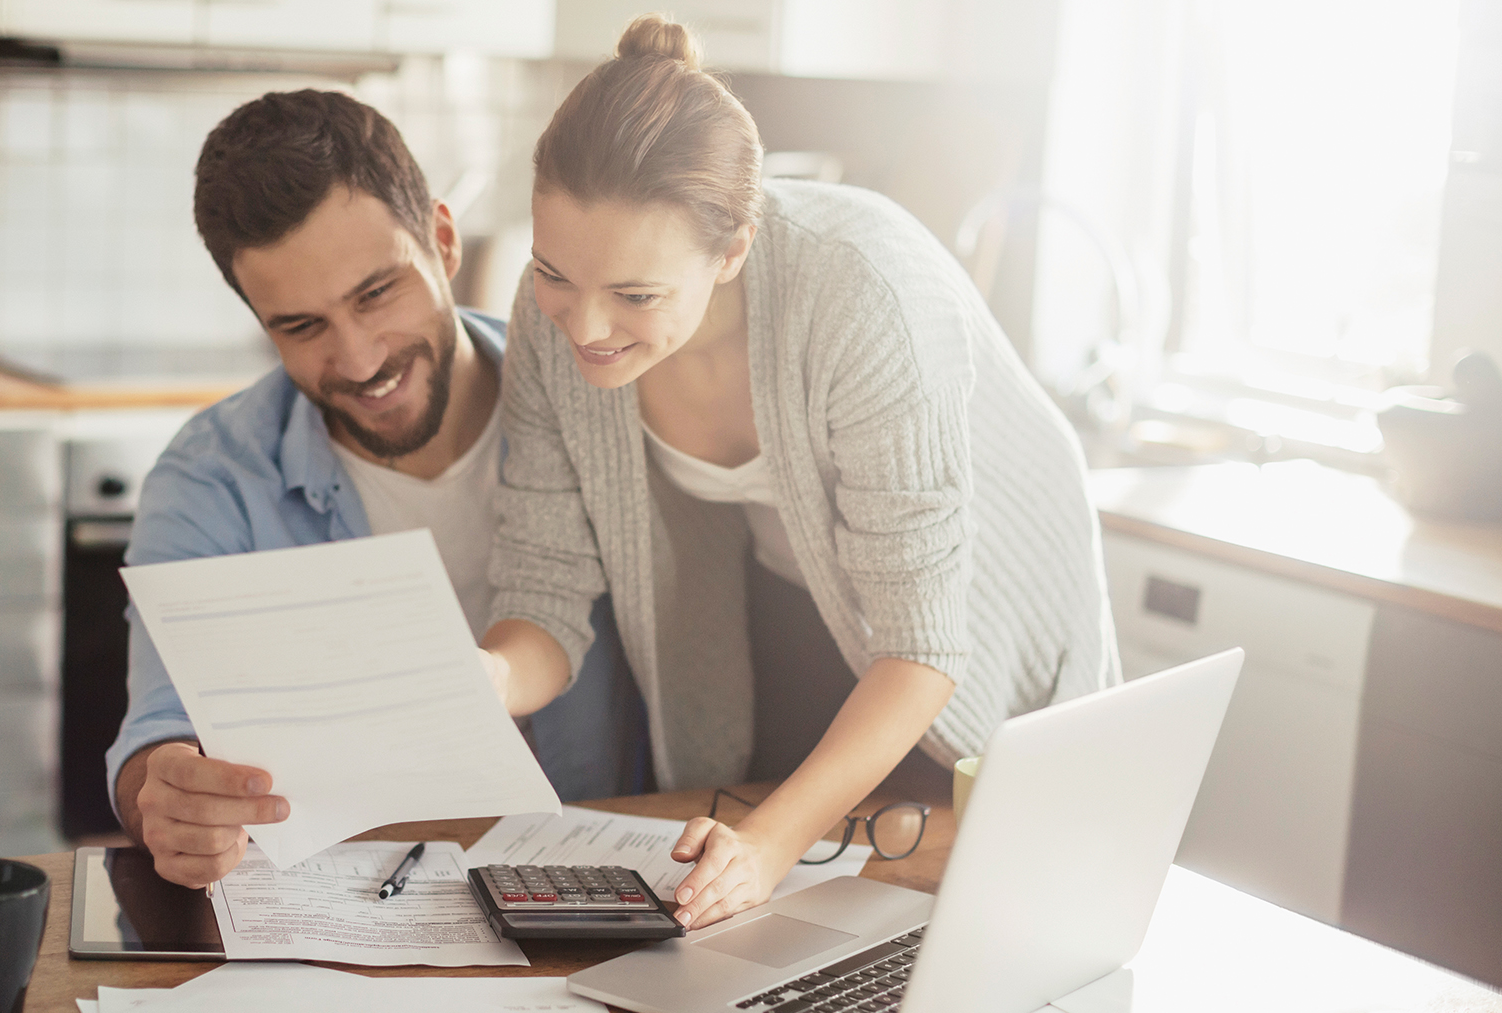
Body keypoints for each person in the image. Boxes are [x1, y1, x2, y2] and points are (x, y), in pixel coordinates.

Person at [478, 16, 1119, 930]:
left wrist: (770, 846)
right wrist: (485, 679)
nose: (581, 327)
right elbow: (542, 591)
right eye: (553, 275)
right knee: (783, 904)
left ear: (733, 249)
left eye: (636, 295)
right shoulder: (552, 322)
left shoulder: (864, 294)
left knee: (961, 888)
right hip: (795, 578)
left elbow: (922, 646)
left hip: (978, 603)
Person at [109, 89, 643, 889]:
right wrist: (169, 796)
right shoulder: (211, 477)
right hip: (348, 904)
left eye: (375, 294)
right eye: (301, 326)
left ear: (443, 238)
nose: (359, 360)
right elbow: (157, 734)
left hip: (609, 883)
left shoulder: (596, 402)